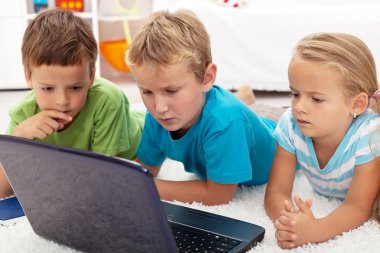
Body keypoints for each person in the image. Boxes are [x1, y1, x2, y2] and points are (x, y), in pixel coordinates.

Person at [125, 10, 277, 206]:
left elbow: (219, 195)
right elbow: (145, 169)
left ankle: (244, 99)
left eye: (171, 91)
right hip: (229, 115)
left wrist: (149, 187)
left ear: (207, 78)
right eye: (147, 92)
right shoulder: (157, 116)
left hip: (278, 135)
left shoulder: (226, 123)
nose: (159, 107)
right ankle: (244, 97)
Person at [0, 9, 144, 198]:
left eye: (75, 88)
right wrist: (19, 138)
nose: (62, 101)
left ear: (91, 76)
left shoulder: (108, 100)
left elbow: (103, 180)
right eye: (47, 89)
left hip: (142, 136)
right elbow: (2, 191)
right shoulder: (23, 114)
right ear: (28, 77)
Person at [264, 32, 380, 248]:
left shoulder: (370, 136)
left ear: (357, 104)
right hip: (274, 120)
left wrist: (316, 229)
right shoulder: (291, 123)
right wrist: (289, 221)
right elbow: (276, 191)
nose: (299, 107)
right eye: (295, 93)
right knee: (262, 117)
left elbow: (357, 207)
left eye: (316, 99)